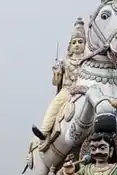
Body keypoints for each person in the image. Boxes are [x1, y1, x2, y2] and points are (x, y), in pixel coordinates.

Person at [31, 17, 86, 146]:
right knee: (55, 104)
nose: (77, 45)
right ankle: (44, 131)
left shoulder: (89, 61)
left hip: (86, 90)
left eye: (80, 42)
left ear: (85, 44)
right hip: (68, 90)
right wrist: (57, 72)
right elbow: (56, 83)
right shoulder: (64, 61)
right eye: (74, 42)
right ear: (70, 46)